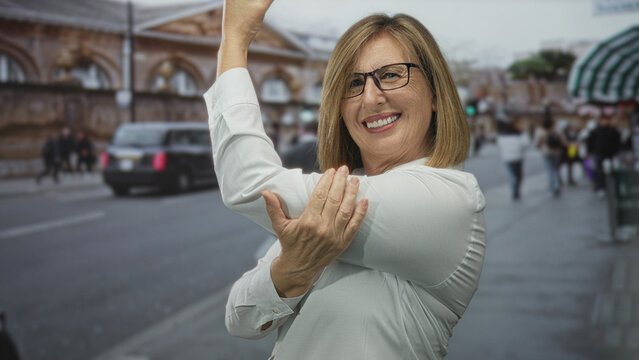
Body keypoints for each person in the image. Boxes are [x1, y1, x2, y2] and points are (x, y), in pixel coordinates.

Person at [206, 1, 487, 358]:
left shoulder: (448, 199)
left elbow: (248, 183)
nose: (371, 97)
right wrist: (292, 269)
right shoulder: (338, 190)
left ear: (435, 93)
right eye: (353, 83)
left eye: (390, 74)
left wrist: (234, 40)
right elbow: (240, 318)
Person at [586, 114, 621, 198]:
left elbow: (618, 141)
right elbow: (590, 142)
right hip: (598, 153)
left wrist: (616, 151)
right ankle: (600, 188)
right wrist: (590, 152)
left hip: (610, 154)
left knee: (611, 171)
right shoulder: (595, 131)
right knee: (599, 171)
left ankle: (611, 187)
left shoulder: (612, 130)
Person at [496, 115, 530, 200]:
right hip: (518, 156)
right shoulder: (519, 134)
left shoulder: (502, 135)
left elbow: (499, 145)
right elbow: (526, 144)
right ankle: (516, 191)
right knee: (518, 175)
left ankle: (514, 191)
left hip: (508, 157)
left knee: (512, 174)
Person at [535, 118, 565, 198]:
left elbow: (537, 143)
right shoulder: (557, 131)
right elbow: (563, 142)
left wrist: (540, 147)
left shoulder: (541, 131)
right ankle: (557, 185)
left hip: (546, 152)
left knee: (549, 170)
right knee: (555, 169)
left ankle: (552, 188)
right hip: (556, 152)